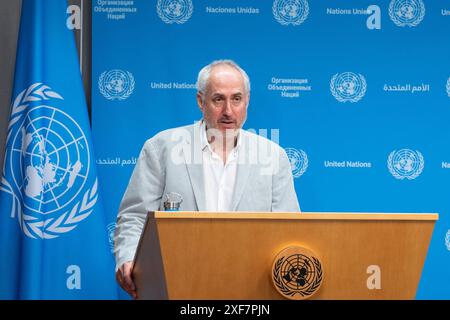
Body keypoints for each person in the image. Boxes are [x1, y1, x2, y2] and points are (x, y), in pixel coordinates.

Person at [114, 60, 300, 298]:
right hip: (176, 283)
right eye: (218, 99)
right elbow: (135, 216)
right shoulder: (161, 147)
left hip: (251, 288)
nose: (228, 111)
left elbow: (289, 229)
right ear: (201, 101)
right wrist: (128, 257)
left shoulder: (273, 157)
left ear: (247, 101)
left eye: (236, 99)